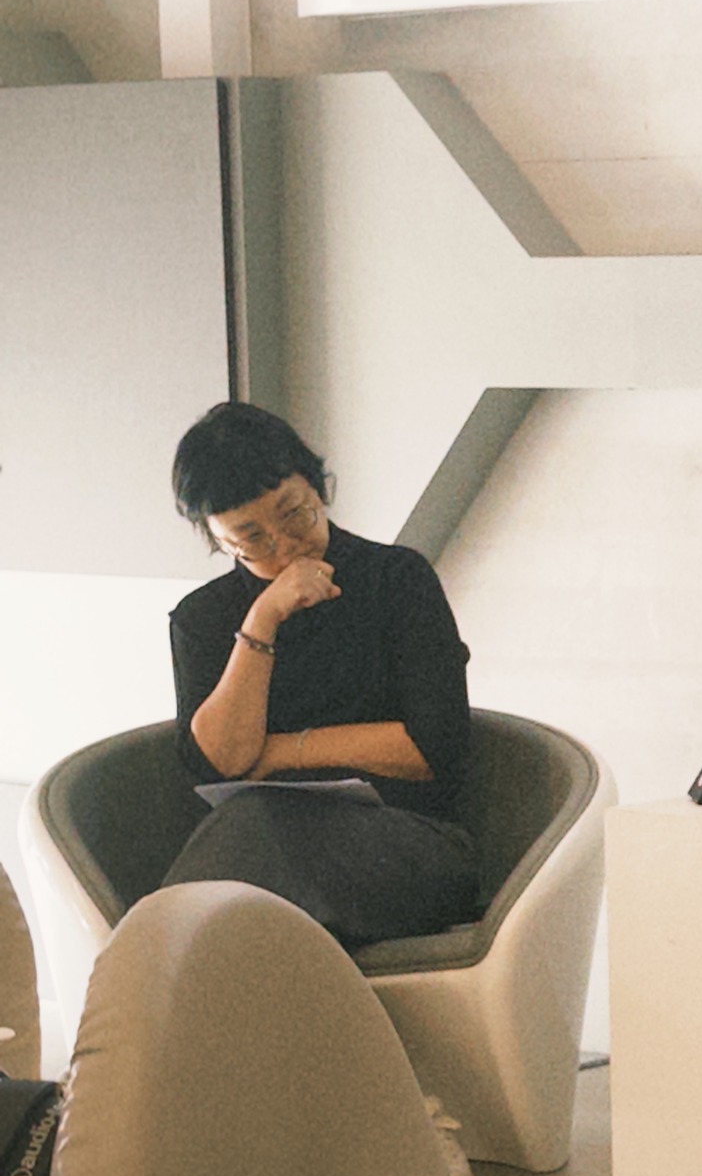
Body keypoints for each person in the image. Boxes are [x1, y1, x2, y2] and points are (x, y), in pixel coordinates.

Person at [162, 403, 479, 949]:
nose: (284, 546)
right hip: (267, 859)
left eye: (294, 515)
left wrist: (279, 752)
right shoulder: (202, 619)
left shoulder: (398, 579)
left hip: (410, 845)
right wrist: (262, 618)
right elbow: (220, 763)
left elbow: (434, 749)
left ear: (318, 487)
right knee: (253, 872)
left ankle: (159, 961)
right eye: (252, 539)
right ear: (220, 541)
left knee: (249, 838)